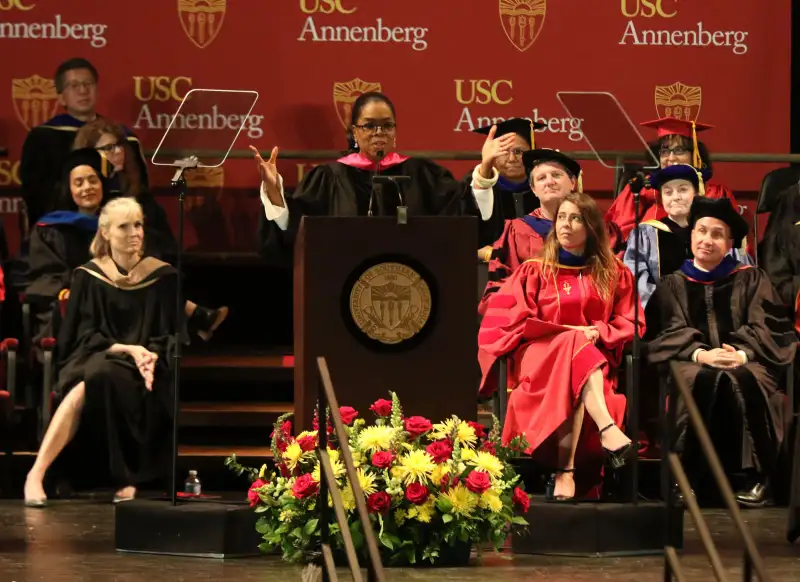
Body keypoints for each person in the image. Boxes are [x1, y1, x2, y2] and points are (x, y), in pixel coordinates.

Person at [478, 192, 642, 501]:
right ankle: (607, 428)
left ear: (591, 227)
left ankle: (564, 471)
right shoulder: (534, 270)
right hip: (539, 357)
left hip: (592, 363)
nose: (566, 224)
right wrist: (568, 331)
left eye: (576, 218)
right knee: (572, 341)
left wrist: (598, 330)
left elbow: (631, 322)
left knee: (576, 365)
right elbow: (507, 320)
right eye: (562, 217)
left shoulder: (615, 273)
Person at [23, 197, 180, 507]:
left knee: (105, 378)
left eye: (138, 224)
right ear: (106, 233)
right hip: (95, 353)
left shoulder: (162, 277)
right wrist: (129, 349)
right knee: (93, 376)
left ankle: (123, 478)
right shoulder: (88, 276)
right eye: (125, 226)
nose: (135, 233)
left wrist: (151, 355)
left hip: (147, 362)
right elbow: (81, 335)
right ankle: (37, 474)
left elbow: (169, 333)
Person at [646, 197, 796, 507]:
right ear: (691, 236)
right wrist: (701, 354)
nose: (707, 240)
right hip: (691, 361)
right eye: (701, 231)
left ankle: (759, 479)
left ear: (729, 243)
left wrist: (740, 355)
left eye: (717, 234)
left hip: (747, 359)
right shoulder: (671, 285)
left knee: (744, 380)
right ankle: (684, 480)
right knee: (701, 379)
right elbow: (664, 333)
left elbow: (768, 327)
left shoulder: (752, 278)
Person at [254, 92, 512, 265]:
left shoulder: (422, 175)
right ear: (355, 131)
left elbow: (464, 217)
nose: (379, 132)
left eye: (387, 125)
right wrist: (274, 191)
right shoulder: (328, 178)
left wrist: (485, 170)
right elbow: (296, 233)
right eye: (369, 125)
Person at [25, 148, 225, 344]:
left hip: (126, 297)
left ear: (103, 184)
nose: (87, 188)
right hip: (83, 300)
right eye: (79, 183)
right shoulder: (51, 229)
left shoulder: (121, 221)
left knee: (158, 277)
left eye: (93, 180)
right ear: (69, 189)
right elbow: (46, 274)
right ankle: (195, 315)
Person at [19, 57, 148, 229]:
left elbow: (140, 189)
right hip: (67, 227)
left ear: (97, 90)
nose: (83, 91)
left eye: (88, 84)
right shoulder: (43, 138)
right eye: (74, 86)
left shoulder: (124, 138)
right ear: (61, 98)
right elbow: (37, 197)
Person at [624, 163, 752, 311]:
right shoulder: (645, 234)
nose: (675, 197)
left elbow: (740, 275)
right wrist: (668, 308)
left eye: (683, 190)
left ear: (697, 193)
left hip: (718, 313)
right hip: (666, 317)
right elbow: (636, 280)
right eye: (668, 192)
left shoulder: (716, 233)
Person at [478, 148, 582, 315]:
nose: (549, 182)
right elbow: (498, 288)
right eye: (541, 178)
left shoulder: (597, 229)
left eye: (556, 175)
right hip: (532, 323)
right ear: (533, 189)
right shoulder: (515, 231)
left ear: (573, 182)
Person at [605, 117, 739, 245]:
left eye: (679, 150)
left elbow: (733, 239)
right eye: (664, 151)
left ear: (694, 154)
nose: (671, 158)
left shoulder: (716, 194)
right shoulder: (641, 189)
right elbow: (620, 234)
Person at [469, 117, 545, 252]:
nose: (511, 159)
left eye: (519, 152)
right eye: (503, 152)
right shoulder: (475, 188)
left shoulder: (545, 188)